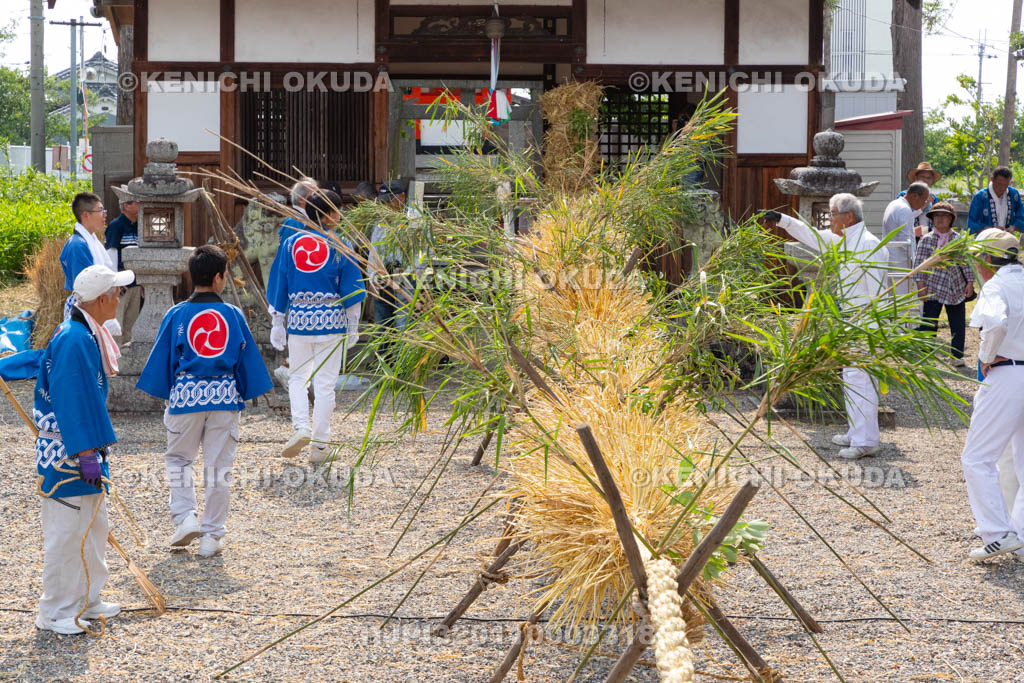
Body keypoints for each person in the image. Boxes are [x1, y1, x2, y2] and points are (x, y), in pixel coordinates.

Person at [136, 245, 273, 557]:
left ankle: (185, 518)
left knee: (179, 460)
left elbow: (162, 362)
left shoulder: (176, 314)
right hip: (225, 396)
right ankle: (211, 536)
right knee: (218, 468)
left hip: (186, 396)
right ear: (218, 277)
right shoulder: (232, 315)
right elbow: (246, 359)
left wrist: (171, 391)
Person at [34, 264, 133, 634]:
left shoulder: (85, 333)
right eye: (117, 293)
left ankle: (88, 599)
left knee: (92, 526)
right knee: (66, 531)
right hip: (68, 452)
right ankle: (55, 610)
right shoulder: (74, 338)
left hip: (82, 447)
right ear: (103, 298)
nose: (120, 298)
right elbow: (70, 398)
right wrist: (86, 453)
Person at [763, 194, 890, 460]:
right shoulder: (843, 243)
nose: (829, 220)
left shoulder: (870, 245)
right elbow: (812, 235)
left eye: (833, 214)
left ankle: (866, 441)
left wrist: (874, 327)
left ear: (848, 217)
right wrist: (783, 220)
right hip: (849, 320)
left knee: (862, 381)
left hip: (866, 323)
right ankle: (856, 432)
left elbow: (879, 293)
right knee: (851, 378)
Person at [267, 190, 365, 463]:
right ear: (328, 214)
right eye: (337, 210)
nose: (340, 215)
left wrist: (277, 321)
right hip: (331, 321)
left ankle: (301, 427)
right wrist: (353, 325)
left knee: (298, 378)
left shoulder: (290, 244)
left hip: (298, 321)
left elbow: (279, 284)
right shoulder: (341, 244)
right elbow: (352, 290)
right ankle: (320, 445)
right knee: (325, 385)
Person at [958, 228, 1024, 561]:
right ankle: (1021, 535)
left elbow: (995, 323)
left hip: (1007, 373)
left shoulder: (996, 285)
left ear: (986, 258)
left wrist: (985, 357)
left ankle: (998, 532)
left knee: (977, 457)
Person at [911, 202, 974, 367]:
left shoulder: (958, 240)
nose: (940, 219)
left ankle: (957, 356)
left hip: (956, 286)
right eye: (936, 216)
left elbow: (966, 263)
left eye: (944, 216)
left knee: (958, 323)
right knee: (929, 322)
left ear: (951, 219)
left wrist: (970, 283)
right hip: (933, 286)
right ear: (932, 219)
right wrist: (920, 287)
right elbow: (919, 265)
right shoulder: (926, 240)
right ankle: (927, 356)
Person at [59, 193, 120, 335]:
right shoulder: (77, 245)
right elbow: (86, 288)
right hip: (85, 310)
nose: (104, 215)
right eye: (100, 211)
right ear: (85, 215)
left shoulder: (89, 240)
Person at [369, 180, 418, 335]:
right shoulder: (381, 222)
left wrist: (411, 272)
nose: (387, 205)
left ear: (402, 197)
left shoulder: (414, 220)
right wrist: (372, 276)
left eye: (390, 200)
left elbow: (422, 251)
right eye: (384, 202)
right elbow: (374, 250)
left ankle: (401, 357)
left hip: (406, 275)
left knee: (403, 323)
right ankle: (382, 358)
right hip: (383, 275)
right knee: (382, 322)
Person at [104, 199, 142, 345]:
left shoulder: (139, 226)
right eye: (136, 203)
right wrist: (115, 283)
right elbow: (111, 256)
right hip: (121, 286)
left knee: (131, 326)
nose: (140, 205)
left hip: (136, 283)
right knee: (117, 325)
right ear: (126, 205)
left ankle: (128, 361)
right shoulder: (116, 226)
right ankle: (116, 362)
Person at [882, 181, 930, 264]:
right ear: (915, 196)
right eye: (924, 200)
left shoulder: (894, 204)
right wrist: (912, 262)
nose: (924, 203)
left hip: (890, 257)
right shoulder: (904, 209)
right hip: (900, 261)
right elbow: (905, 243)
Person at [967, 166, 1024, 234]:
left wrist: (1013, 227)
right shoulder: (980, 197)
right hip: (986, 239)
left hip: (1007, 238)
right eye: (999, 184)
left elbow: (1021, 215)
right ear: (992, 179)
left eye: (1005, 185)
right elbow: (972, 223)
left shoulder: (1013, 194)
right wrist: (991, 230)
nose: (1002, 188)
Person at [896, 162, 942, 238]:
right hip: (909, 237)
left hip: (929, 239)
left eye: (928, 178)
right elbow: (902, 219)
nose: (925, 180)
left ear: (932, 181)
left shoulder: (935, 199)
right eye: (922, 177)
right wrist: (925, 204)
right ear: (916, 178)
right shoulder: (903, 196)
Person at [279, 177, 319, 243]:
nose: (319, 198)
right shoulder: (293, 222)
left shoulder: (307, 218)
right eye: (315, 195)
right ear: (301, 199)